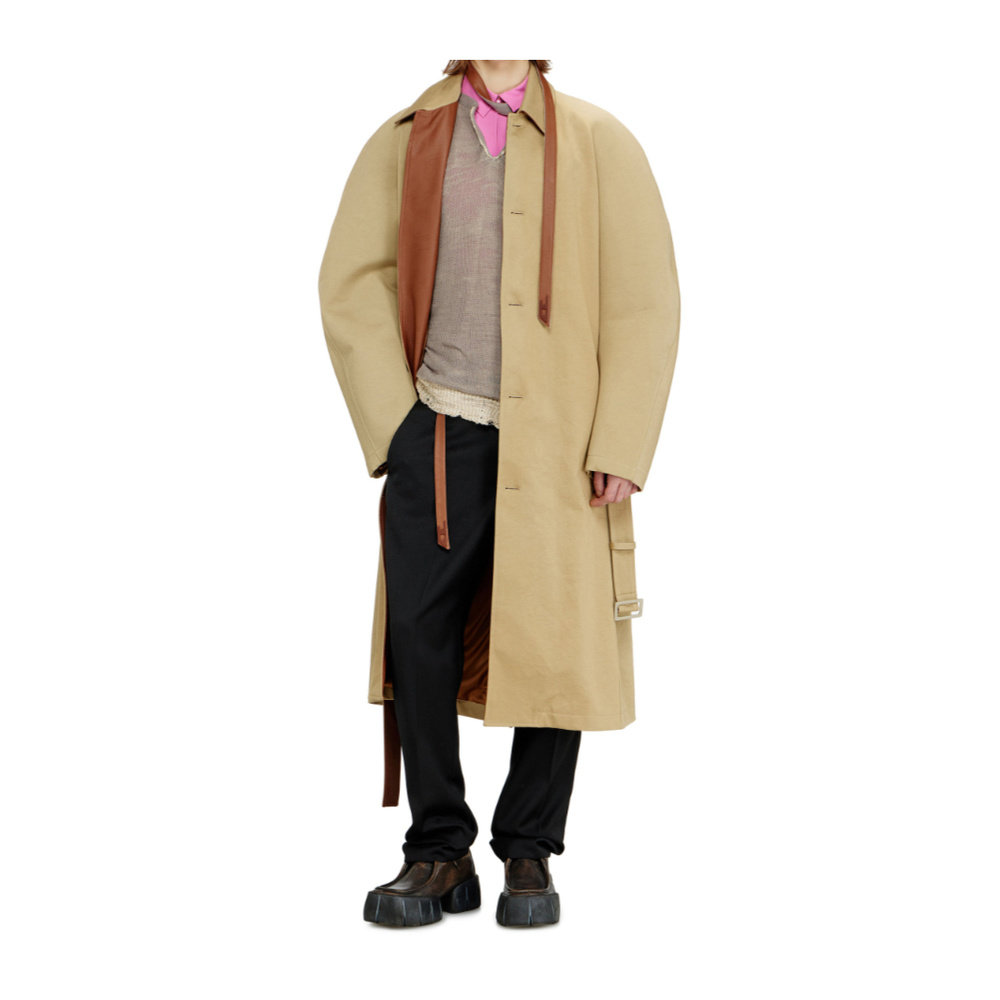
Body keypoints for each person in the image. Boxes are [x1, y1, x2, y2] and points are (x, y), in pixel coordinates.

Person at [318, 59, 680, 928]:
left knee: (557, 634)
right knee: (418, 636)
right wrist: (396, 426)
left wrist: (621, 440)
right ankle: (438, 848)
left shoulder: (599, 140)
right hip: (439, 427)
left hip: (561, 440)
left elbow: (644, 303)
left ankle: (529, 848)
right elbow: (353, 280)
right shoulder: (407, 137)